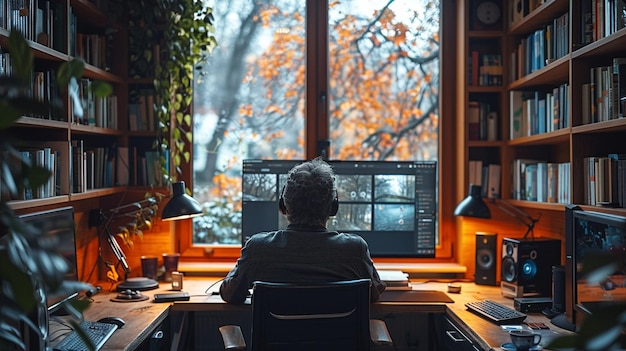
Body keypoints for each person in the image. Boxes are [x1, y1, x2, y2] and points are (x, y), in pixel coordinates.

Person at [220, 157, 386, 304]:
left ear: (283, 206)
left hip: (279, 339)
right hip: (334, 340)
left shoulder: (258, 249)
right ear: (333, 207)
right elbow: (373, 294)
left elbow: (230, 294)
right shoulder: (353, 250)